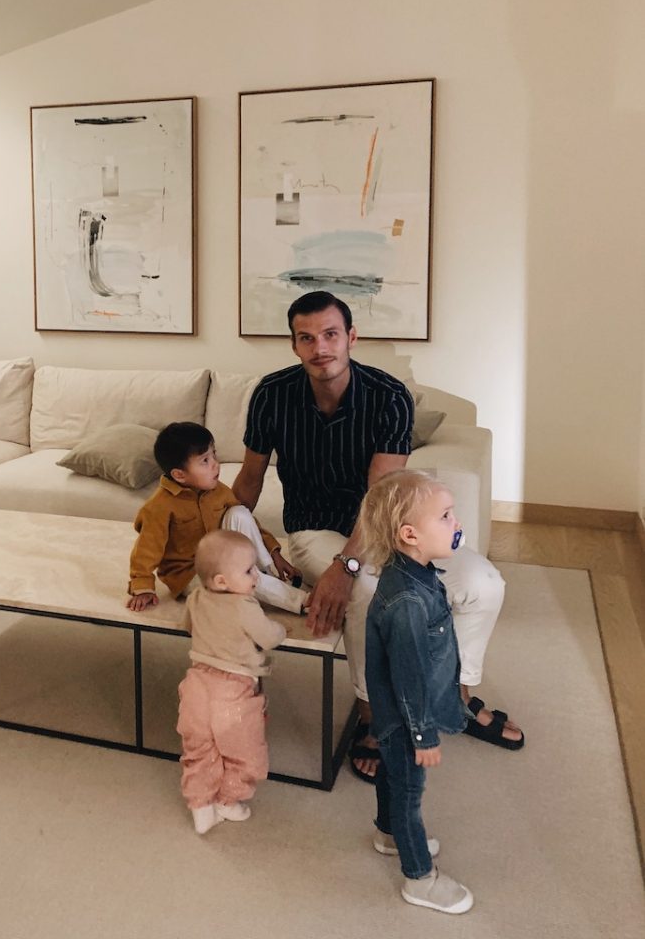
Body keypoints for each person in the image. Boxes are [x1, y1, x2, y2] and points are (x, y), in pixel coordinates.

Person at [232, 290, 523, 781]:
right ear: (294, 344)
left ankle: (455, 697)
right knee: (369, 592)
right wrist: (218, 535)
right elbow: (250, 479)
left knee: (483, 584)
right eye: (307, 338)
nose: (320, 347)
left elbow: (380, 498)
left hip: (388, 523)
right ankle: (373, 718)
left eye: (330, 334)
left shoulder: (389, 396)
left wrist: (345, 566)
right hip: (314, 527)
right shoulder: (271, 394)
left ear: (351, 337)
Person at [361, 469, 473, 914]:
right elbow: (408, 677)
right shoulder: (407, 601)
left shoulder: (418, 574)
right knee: (409, 790)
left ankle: (388, 833)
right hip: (405, 718)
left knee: (392, 774)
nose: (456, 523)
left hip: (397, 714)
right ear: (410, 535)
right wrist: (423, 735)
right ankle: (419, 878)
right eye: (445, 516)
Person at [126, 421, 307, 615]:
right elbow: (146, 549)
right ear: (179, 475)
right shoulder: (159, 507)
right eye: (205, 460)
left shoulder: (218, 491)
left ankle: (264, 571)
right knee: (238, 579)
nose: (215, 464)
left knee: (239, 513)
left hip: (222, 558)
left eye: (214, 454)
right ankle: (304, 602)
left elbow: (249, 524)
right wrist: (142, 587)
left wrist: (274, 554)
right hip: (191, 574)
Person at [176, 529, 287, 833]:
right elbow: (268, 637)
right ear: (222, 581)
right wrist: (280, 629)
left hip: (196, 687)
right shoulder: (244, 605)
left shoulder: (196, 597)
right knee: (245, 752)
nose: (256, 576)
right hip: (233, 693)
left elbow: (187, 625)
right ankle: (227, 801)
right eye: (249, 571)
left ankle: (201, 807)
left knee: (199, 750)